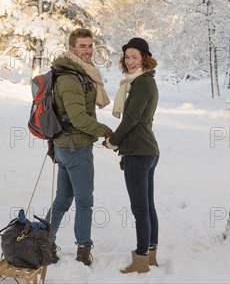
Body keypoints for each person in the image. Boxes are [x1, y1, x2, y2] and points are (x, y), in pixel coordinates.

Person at [46, 28, 113, 266]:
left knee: (63, 199)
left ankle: (45, 242)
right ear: (71, 49)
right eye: (82, 46)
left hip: (65, 147)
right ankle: (83, 251)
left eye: (90, 46)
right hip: (76, 147)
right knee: (84, 201)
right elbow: (77, 117)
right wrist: (106, 132)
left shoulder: (71, 72)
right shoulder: (70, 78)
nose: (87, 50)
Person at [104, 37, 160, 274]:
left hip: (139, 153)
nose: (130, 61)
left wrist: (113, 141)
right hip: (146, 150)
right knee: (147, 207)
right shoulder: (141, 82)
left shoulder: (142, 83)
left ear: (145, 58)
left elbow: (132, 118)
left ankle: (141, 260)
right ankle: (151, 253)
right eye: (127, 57)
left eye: (135, 56)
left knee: (140, 210)